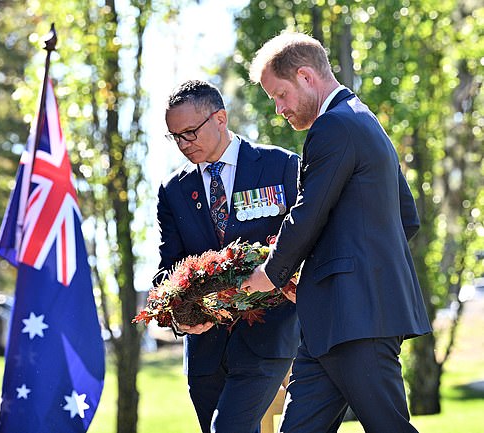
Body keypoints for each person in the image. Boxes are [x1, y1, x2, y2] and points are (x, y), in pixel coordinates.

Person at [241, 32, 432, 433]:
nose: (279, 109)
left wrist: (272, 273)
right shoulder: (364, 120)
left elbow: (308, 213)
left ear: (306, 76)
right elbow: (406, 218)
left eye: (279, 95)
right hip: (333, 321)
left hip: (358, 318)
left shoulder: (334, 127)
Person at [155, 79, 301, 433]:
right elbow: (169, 268)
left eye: (190, 132)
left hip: (267, 337)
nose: (183, 144)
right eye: (175, 136)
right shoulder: (174, 190)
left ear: (220, 118)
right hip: (205, 351)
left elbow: (306, 245)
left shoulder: (280, 166)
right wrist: (177, 315)